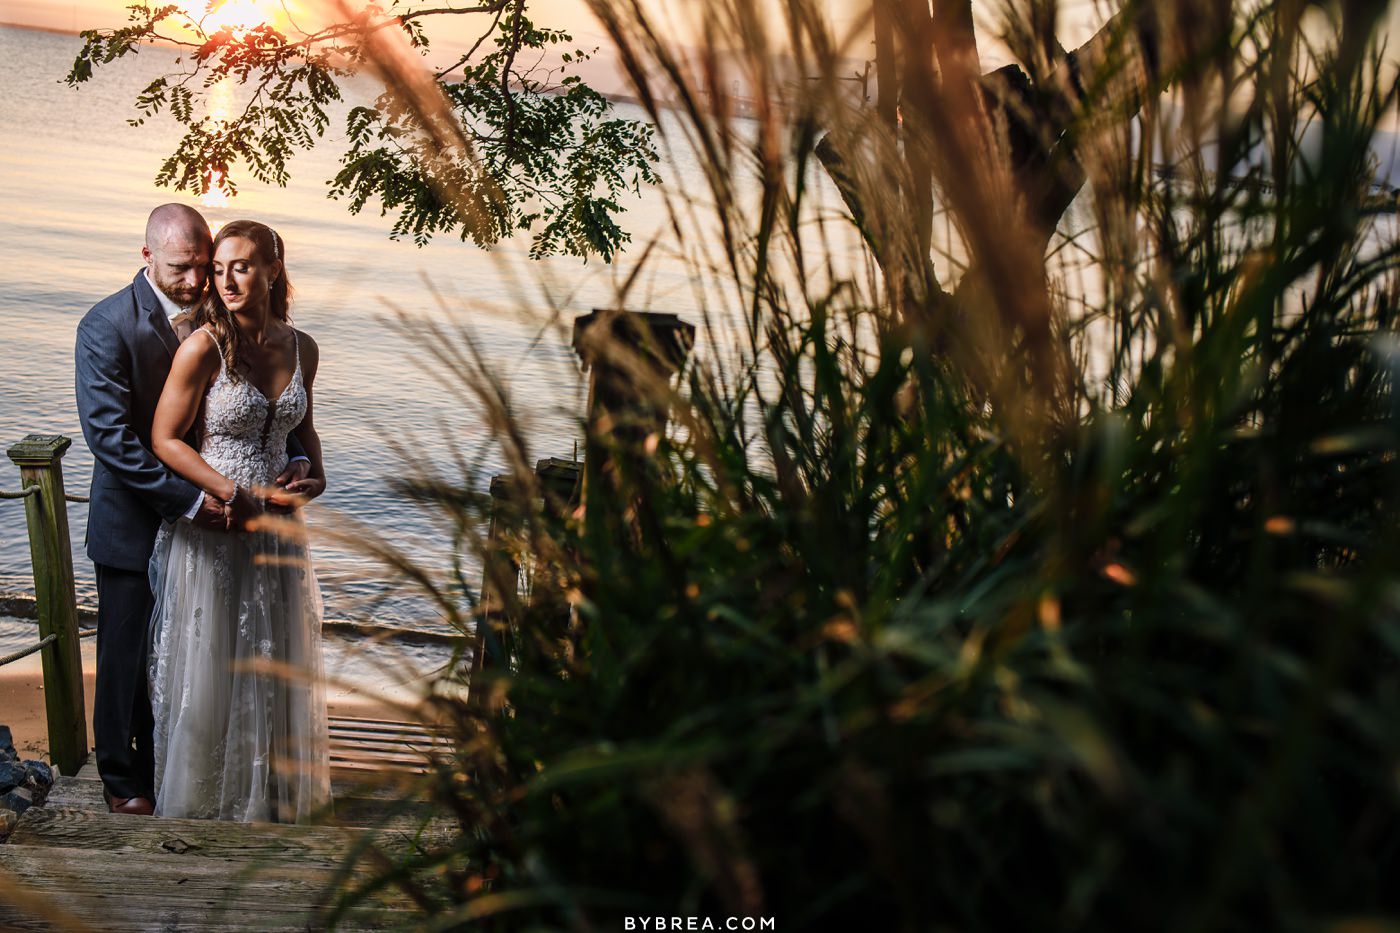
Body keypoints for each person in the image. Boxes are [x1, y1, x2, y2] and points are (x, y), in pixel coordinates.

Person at [75, 205, 310, 816]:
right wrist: (193, 499)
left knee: (203, 654)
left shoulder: (233, 322)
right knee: (128, 656)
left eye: (207, 267)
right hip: (139, 516)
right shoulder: (106, 325)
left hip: (241, 522)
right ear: (148, 256)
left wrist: (303, 469)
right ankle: (123, 783)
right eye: (187, 268)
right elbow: (114, 439)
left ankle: (195, 773)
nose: (202, 280)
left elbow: (286, 424)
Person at [147, 219, 331, 822]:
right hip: (219, 528)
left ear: (274, 271)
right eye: (219, 267)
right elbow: (166, 438)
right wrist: (227, 491)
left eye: (241, 267)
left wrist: (313, 476)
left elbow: (301, 433)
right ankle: (200, 801)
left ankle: (267, 798)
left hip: (279, 529)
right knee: (213, 665)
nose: (223, 280)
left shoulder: (303, 348)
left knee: (274, 658)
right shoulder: (204, 345)